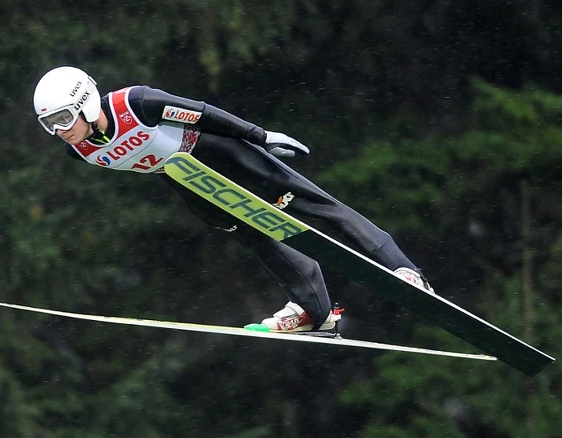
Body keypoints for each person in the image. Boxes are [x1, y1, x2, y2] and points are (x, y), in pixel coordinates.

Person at [33, 66, 433, 334]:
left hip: (224, 155)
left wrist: (260, 137)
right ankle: (316, 311)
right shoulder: (80, 150)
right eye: (50, 125)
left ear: (85, 101)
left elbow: (203, 114)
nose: (60, 131)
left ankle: (404, 270)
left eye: (63, 119)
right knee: (255, 234)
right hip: (193, 185)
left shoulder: (135, 104)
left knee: (315, 206)